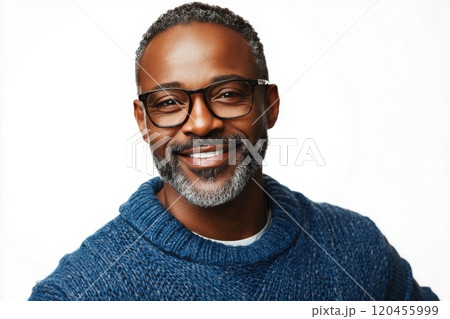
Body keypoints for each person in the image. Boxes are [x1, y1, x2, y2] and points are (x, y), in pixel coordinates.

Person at [29, 2, 438, 301]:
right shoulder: (80, 294)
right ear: (143, 121)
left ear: (270, 105)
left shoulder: (358, 249)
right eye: (169, 102)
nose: (202, 123)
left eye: (227, 94)